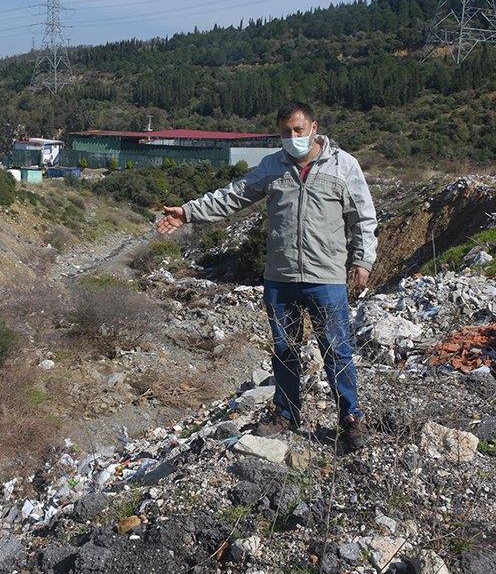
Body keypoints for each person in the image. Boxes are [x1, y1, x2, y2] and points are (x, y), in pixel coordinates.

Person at [156, 101, 377, 451]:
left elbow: (362, 218)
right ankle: (287, 413)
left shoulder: (343, 166)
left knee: (336, 349)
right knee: (284, 349)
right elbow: (233, 196)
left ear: (314, 128)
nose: (293, 138)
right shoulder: (272, 167)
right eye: (285, 132)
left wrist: (362, 261)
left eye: (298, 130)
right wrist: (188, 213)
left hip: (327, 277)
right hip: (281, 277)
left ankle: (350, 418)